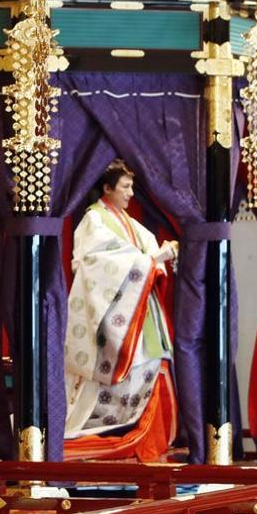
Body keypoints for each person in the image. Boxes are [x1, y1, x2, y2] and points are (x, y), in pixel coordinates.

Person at [63, 160, 178, 462]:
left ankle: (151, 449)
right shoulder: (94, 221)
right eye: (125, 187)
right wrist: (151, 261)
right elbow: (95, 263)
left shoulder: (129, 223)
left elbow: (144, 255)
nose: (130, 193)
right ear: (107, 188)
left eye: (131, 187)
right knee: (127, 376)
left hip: (142, 309)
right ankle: (122, 446)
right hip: (118, 314)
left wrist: (155, 259)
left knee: (153, 369)